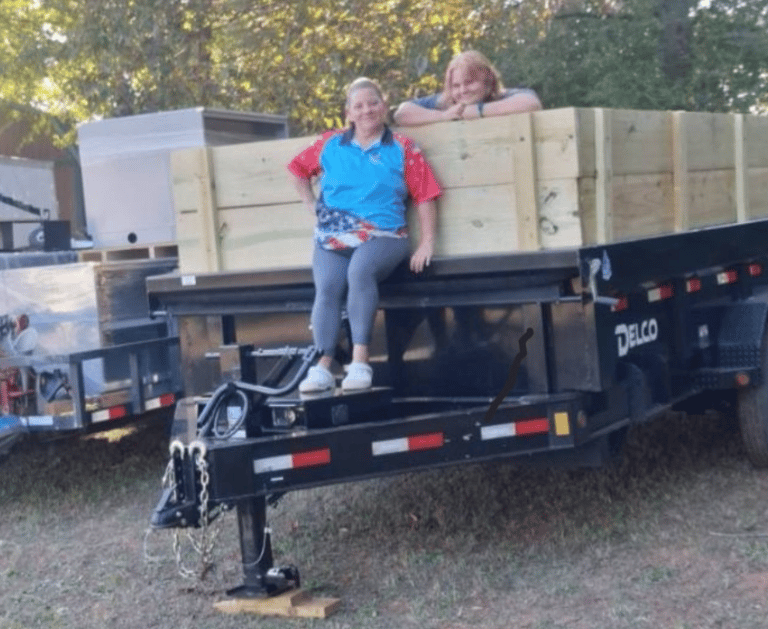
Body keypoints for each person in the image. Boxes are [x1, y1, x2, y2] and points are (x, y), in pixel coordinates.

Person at [288, 77, 442, 393]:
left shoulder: (403, 147)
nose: (367, 110)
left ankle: (360, 361)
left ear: (384, 107)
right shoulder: (330, 144)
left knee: (360, 272)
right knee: (327, 286)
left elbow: (425, 194)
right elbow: (297, 170)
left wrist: (427, 241)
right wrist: (309, 202)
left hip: (384, 235)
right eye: (359, 105)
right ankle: (323, 363)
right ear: (348, 113)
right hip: (333, 236)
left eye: (373, 103)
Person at [392, 50, 542, 126]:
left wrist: (478, 111)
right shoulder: (444, 103)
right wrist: (443, 116)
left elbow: (531, 103)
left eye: (469, 82)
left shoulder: (502, 96)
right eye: (456, 85)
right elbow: (402, 114)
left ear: (488, 80)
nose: (462, 90)